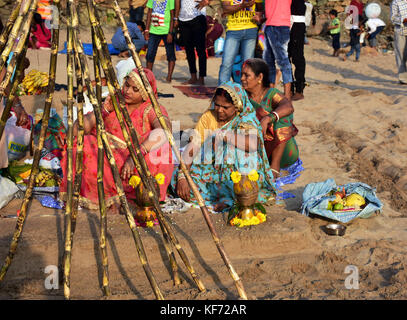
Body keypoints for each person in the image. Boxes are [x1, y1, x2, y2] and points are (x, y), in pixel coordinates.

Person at [60, 68, 174, 211]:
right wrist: (103, 111)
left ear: (145, 95)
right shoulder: (113, 102)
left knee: (162, 150)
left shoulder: (150, 109)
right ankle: (111, 197)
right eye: (126, 85)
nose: (127, 91)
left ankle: (137, 198)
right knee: (83, 145)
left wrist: (135, 156)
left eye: (135, 89)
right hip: (107, 160)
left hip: (136, 163)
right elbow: (76, 130)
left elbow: (164, 130)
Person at [172, 81, 277, 212]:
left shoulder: (245, 120)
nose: (219, 110)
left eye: (225, 107)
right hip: (211, 171)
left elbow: (252, 144)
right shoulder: (208, 117)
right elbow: (193, 148)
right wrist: (183, 176)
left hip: (237, 174)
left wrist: (225, 135)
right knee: (177, 180)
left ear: (237, 107)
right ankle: (223, 197)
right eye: (217, 105)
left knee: (233, 150)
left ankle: (230, 198)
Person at [241, 58, 298, 178]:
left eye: (247, 75)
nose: (242, 79)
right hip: (252, 147)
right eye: (242, 75)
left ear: (260, 78)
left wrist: (267, 118)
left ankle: (275, 166)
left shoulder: (271, 93)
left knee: (284, 115)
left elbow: (288, 106)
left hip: (281, 150)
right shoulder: (242, 95)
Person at [218, 0, 263, 85]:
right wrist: (243, 5)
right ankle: (223, 93)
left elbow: (260, 9)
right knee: (226, 64)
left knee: (248, 65)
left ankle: (244, 92)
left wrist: (259, 16)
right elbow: (226, 9)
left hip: (251, 30)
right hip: (233, 31)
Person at [175, 0, 209, 85]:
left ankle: (201, 78)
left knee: (200, 49)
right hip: (183, 19)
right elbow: (177, 1)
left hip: (198, 17)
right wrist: (176, 18)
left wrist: (208, 1)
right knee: (188, 49)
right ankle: (193, 76)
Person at [145, 0, 176, 83]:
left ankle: (169, 76)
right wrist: (147, 29)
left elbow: (172, 15)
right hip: (153, 30)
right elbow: (149, 13)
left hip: (166, 31)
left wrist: (170, 32)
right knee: (150, 54)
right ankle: (149, 76)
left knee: (170, 54)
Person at [288, 0, 306, 101]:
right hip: (284, 23)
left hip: (297, 26)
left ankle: (299, 90)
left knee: (297, 58)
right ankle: (289, 88)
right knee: (286, 58)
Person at [390, 0, 407, 84]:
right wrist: (404, 20)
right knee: (401, 55)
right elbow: (393, 19)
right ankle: (403, 79)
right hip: (401, 32)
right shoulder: (396, 2)